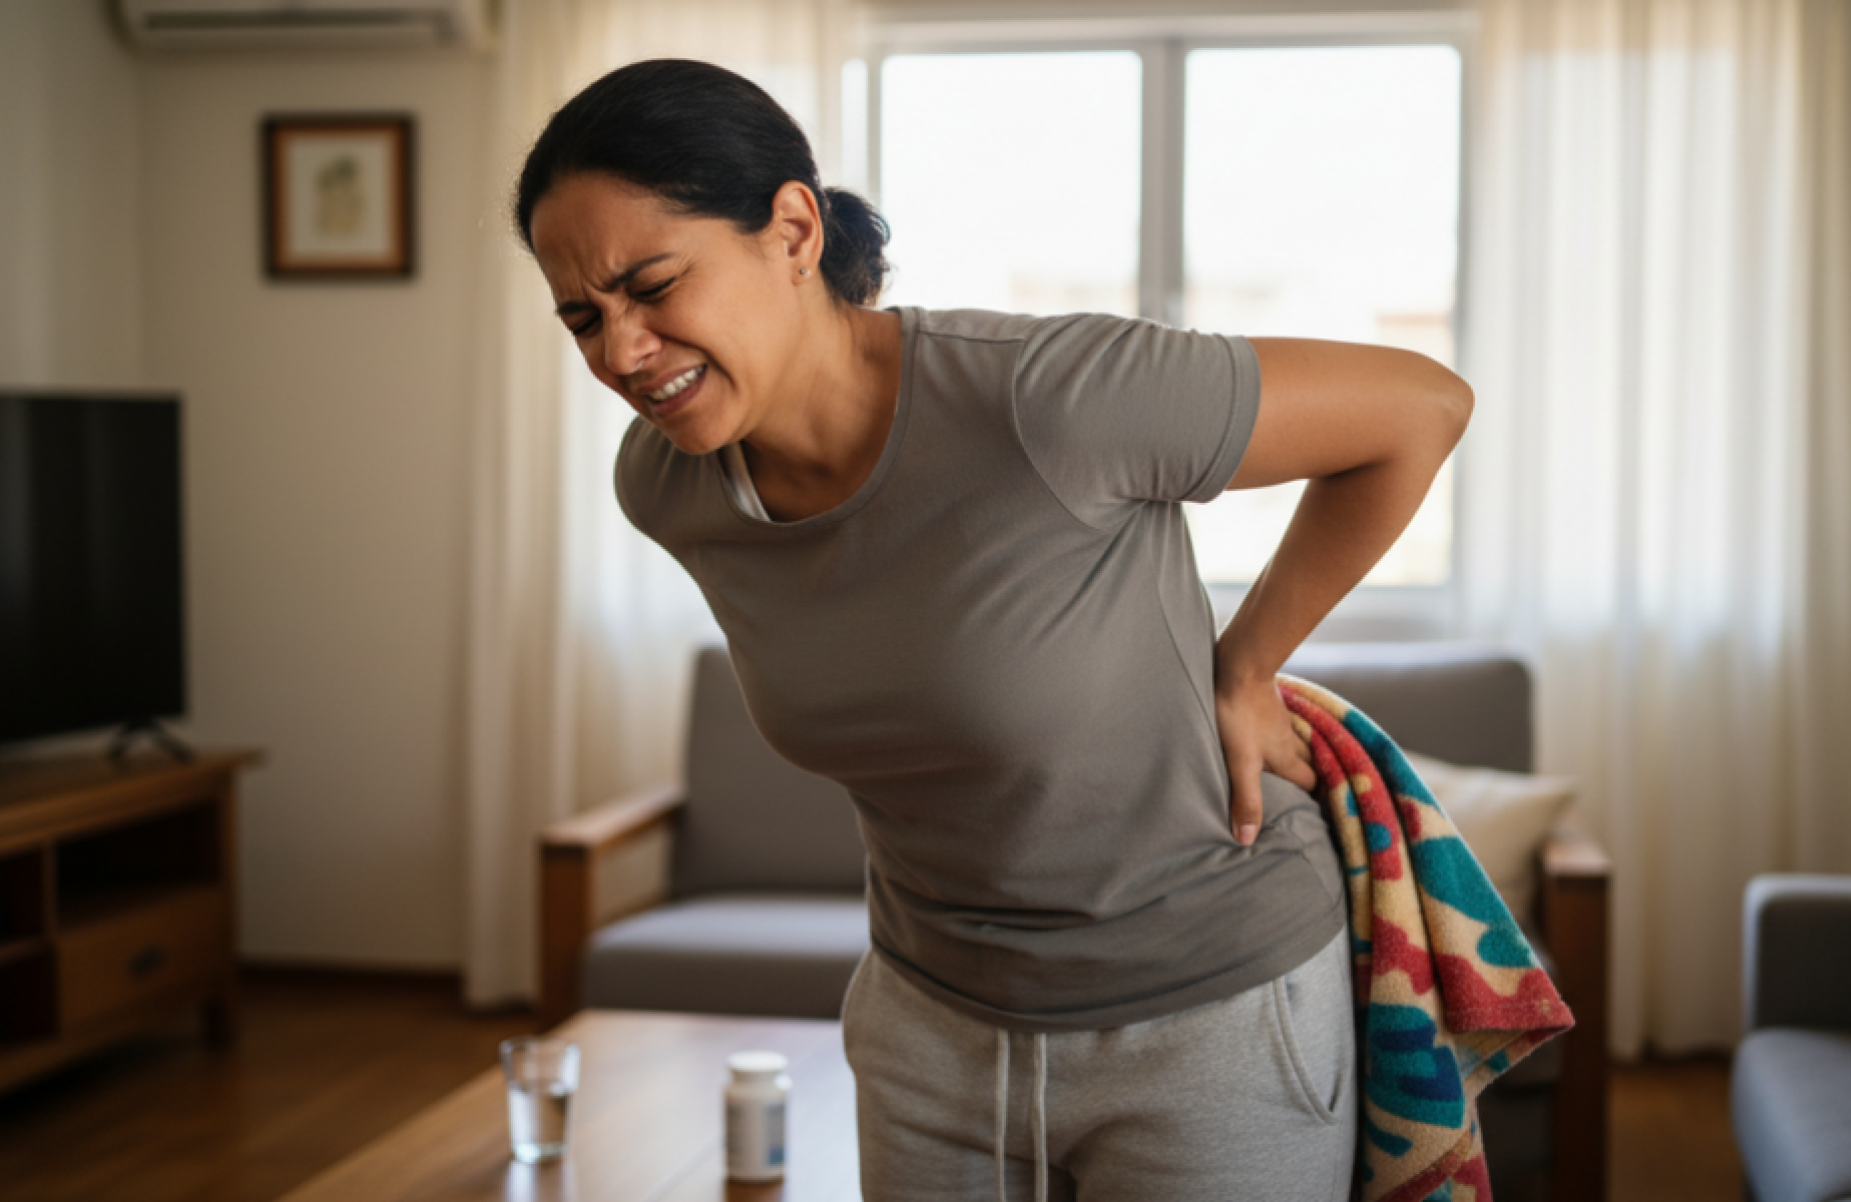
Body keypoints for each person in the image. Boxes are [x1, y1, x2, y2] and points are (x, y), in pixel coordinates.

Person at [514, 58, 1471, 1202]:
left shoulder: (1046, 397)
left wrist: (1247, 662)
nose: (620, 351)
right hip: (930, 1027)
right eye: (584, 316)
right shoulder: (668, 484)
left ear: (792, 230)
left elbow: (1419, 409)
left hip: (1207, 1016)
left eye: (653, 284)